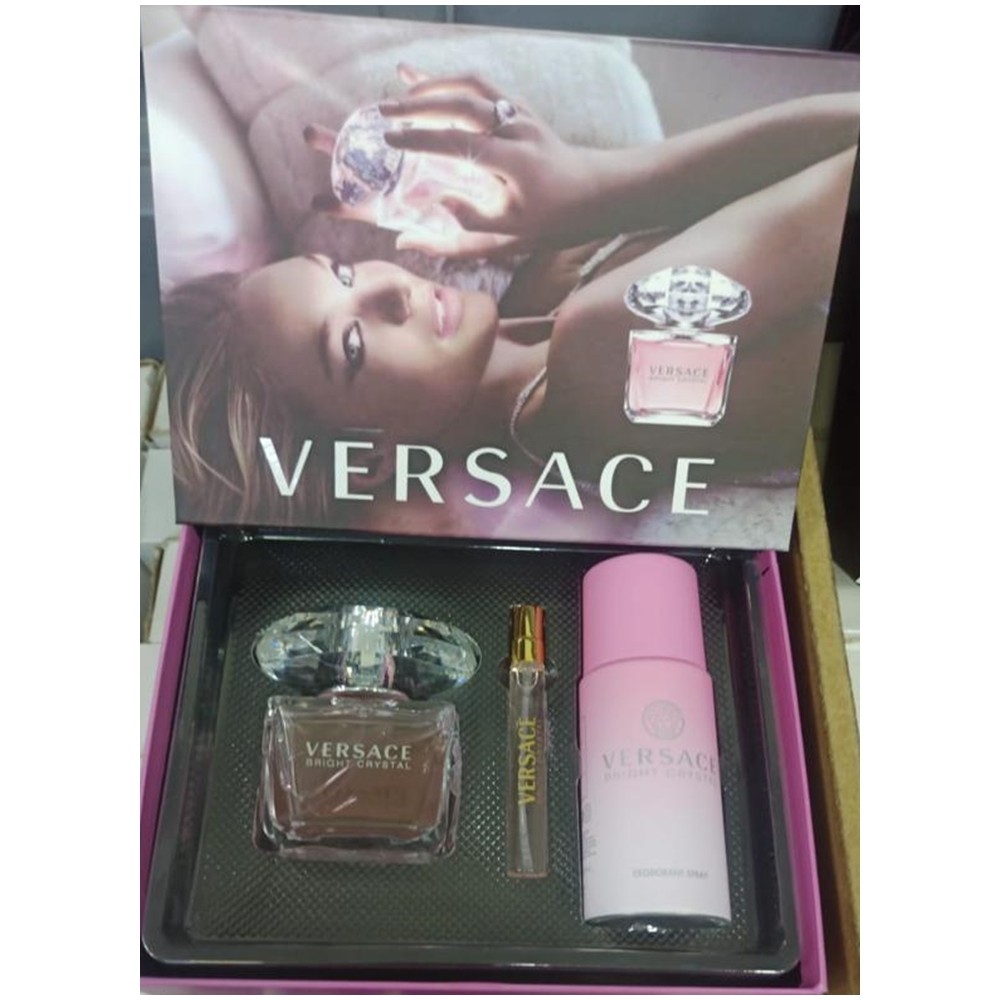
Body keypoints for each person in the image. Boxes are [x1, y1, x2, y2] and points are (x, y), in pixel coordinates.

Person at [163, 66, 858, 529]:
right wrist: (600, 186)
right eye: (350, 344)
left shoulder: (547, 281)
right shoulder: (600, 359)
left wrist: (577, 194)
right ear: (370, 460)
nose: (389, 288)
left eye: (342, 273)